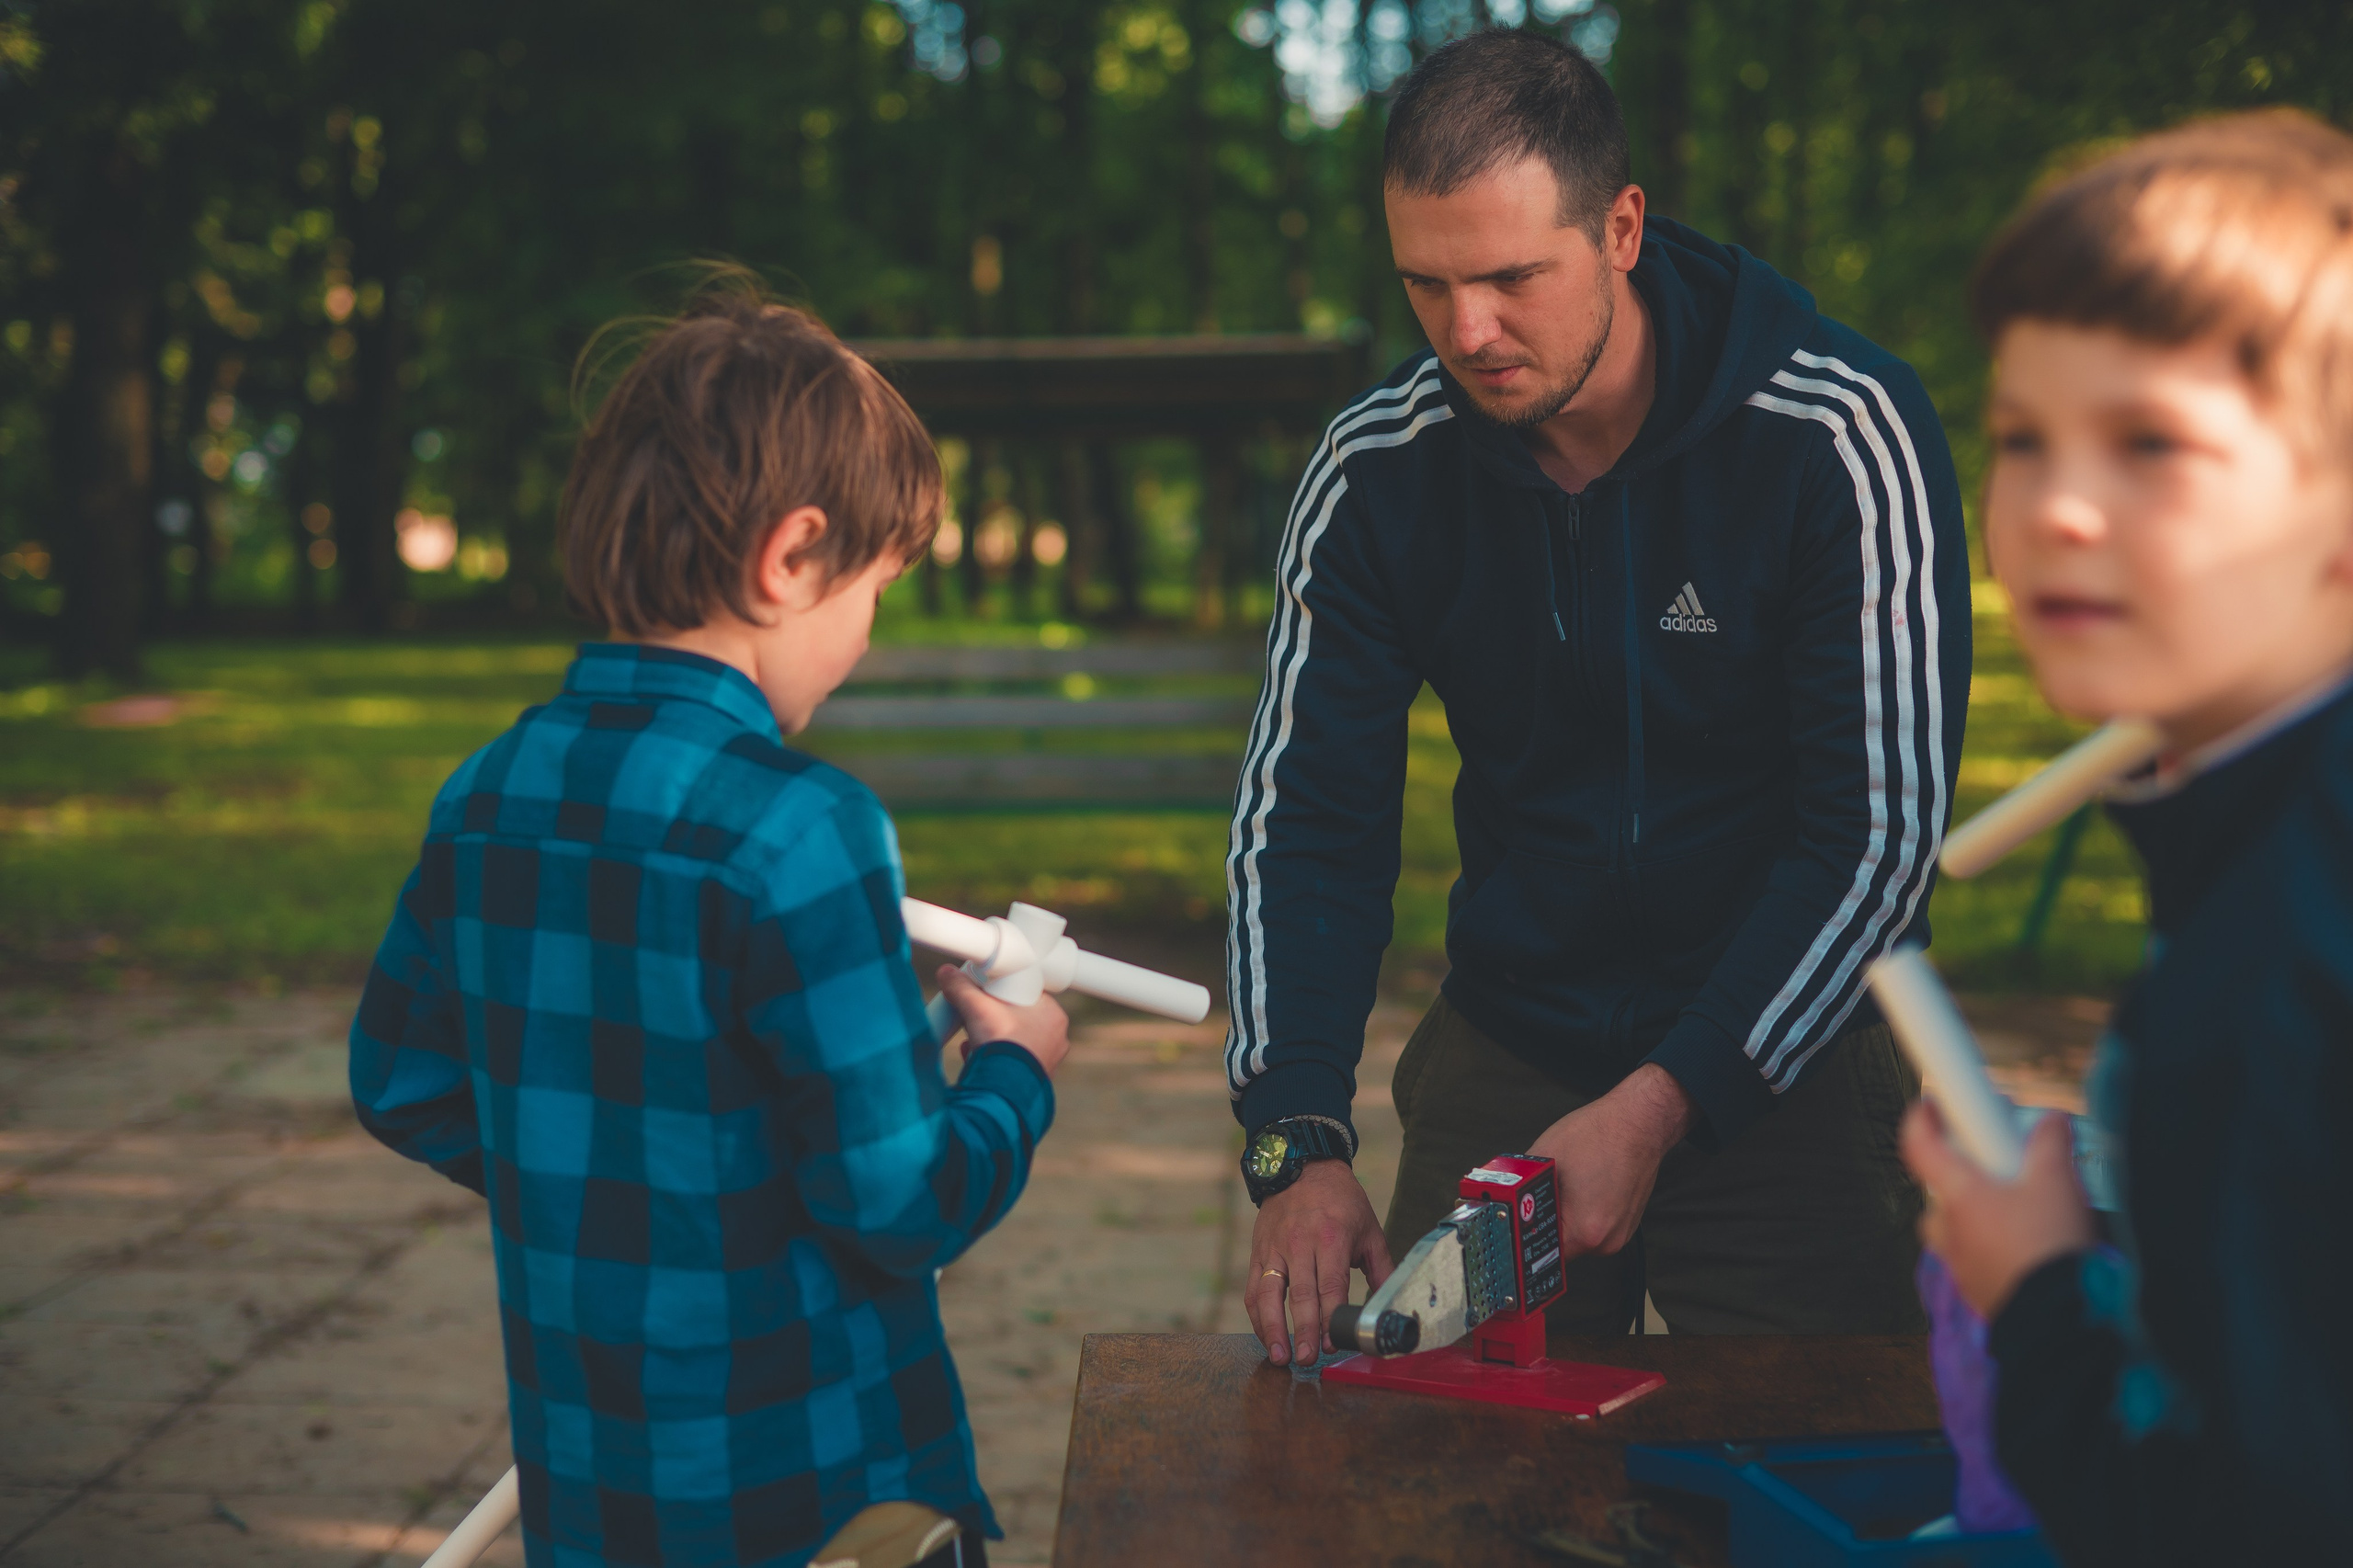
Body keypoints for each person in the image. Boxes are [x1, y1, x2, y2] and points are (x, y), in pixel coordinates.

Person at [1229, 26, 1972, 1366]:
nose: (1469, 331)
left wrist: (1666, 1099)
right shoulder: (1374, 472)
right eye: (1428, 285)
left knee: (1827, 1477)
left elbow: (1876, 842)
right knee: (1442, 1479)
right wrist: (1295, 1139)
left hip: (1788, 1055)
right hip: (1510, 1037)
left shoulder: (1836, 435)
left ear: (1621, 227)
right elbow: (1308, 821)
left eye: (1514, 276)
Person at [347, 278, 1066, 1568]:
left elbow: (401, 1079)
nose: (864, 637)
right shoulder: (804, 828)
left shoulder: (488, 794)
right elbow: (899, 1202)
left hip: (594, 1487)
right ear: (792, 558)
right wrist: (1017, 1074)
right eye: (874, 593)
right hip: (819, 1498)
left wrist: (603, 1189)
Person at [1902, 110, 2353, 1564]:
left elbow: (2243, 1523)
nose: (2059, 512)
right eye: (2026, 439)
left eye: (2149, 443)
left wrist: (2035, 1296)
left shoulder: (2276, 967)